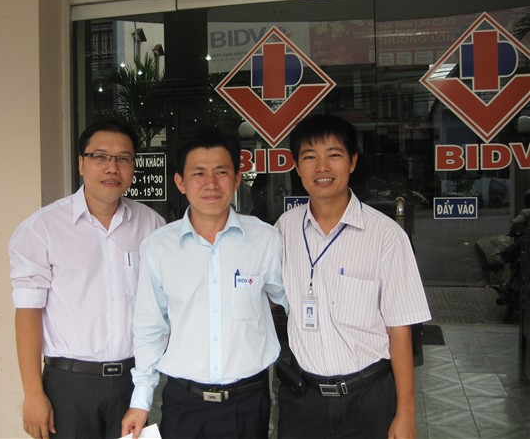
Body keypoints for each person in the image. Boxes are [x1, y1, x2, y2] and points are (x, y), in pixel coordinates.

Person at [121, 125, 288, 439]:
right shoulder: (159, 247)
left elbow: (291, 300)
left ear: (237, 180)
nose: (211, 183)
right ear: (180, 182)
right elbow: (149, 327)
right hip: (184, 403)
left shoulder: (265, 239)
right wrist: (140, 400)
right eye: (198, 173)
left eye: (221, 172)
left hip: (248, 402)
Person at [274, 114, 431, 439]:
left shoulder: (386, 236)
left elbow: (400, 331)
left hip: (368, 400)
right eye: (310, 157)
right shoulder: (284, 230)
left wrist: (406, 412)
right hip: (302, 401)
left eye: (334, 155)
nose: (322, 167)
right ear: (297, 166)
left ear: (352, 161)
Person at [10, 120, 165, 439]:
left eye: (123, 158)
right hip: (69, 387)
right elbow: (28, 312)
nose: (112, 167)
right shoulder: (42, 229)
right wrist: (33, 393)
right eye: (100, 156)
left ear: (133, 166)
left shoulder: (152, 226)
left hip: (135, 385)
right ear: (81, 163)